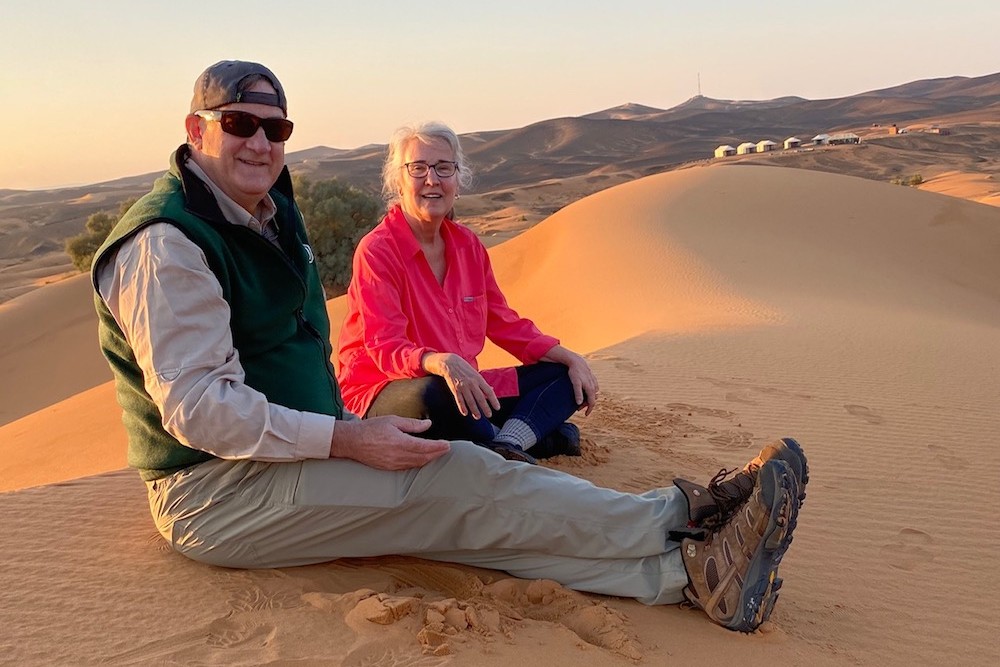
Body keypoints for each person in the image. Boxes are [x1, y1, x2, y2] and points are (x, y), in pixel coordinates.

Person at [91, 60, 810, 633]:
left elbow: (503, 318)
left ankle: (686, 580)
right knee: (462, 479)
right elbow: (199, 411)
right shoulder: (168, 244)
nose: (260, 142)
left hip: (293, 454)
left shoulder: (265, 210)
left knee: (469, 521)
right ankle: (684, 516)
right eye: (240, 123)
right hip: (218, 491)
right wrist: (346, 438)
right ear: (196, 127)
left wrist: (556, 354)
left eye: (276, 129)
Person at [336, 124, 596, 464]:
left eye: (444, 168)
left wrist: (568, 357)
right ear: (398, 182)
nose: (432, 179)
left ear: (457, 180)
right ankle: (521, 439)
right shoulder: (377, 251)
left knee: (562, 379)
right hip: (388, 392)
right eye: (418, 168)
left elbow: (505, 324)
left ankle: (504, 446)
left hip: (461, 384)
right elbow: (386, 348)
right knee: (436, 393)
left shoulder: (469, 246)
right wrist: (440, 361)